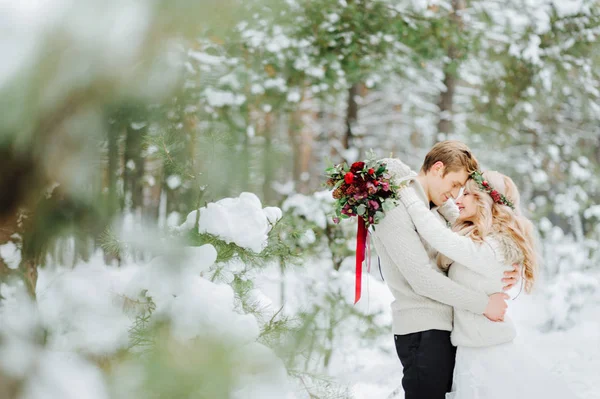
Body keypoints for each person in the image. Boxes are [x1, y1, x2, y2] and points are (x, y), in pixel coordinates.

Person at [397, 169, 578, 398]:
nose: (457, 200)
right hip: (472, 351)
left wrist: (408, 197)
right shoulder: (484, 240)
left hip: (487, 355)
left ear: (486, 201)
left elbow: (440, 238)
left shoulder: (493, 247)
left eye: (467, 194)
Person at [372, 141, 520, 399]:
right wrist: (484, 305)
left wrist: (509, 265)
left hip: (448, 330)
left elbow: (480, 239)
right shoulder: (394, 207)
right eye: (454, 185)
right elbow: (423, 280)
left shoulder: (435, 208)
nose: (455, 194)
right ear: (437, 169)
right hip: (422, 331)